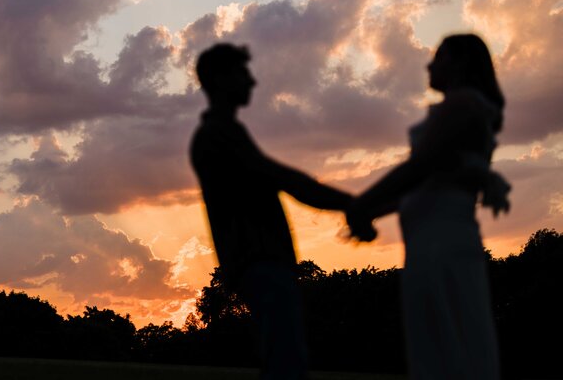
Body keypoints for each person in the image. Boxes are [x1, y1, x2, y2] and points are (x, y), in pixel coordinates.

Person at [346, 34, 510, 380]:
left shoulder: (463, 104)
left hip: (441, 245)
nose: (429, 65)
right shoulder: (464, 107)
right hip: (430, 243)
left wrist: (362, 204)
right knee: (443, 347)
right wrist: (373, 209)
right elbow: (428, 182)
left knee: (447, 350)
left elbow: (419, 167)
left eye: (439, 57)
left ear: (460, 63)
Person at [190, 43, 352, 379]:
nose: (252, 82)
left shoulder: (225, 133)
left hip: (259, 263)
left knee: (284, 360)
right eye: (242, 73)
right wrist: (351, 204)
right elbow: (281, 177)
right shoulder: (218, 135)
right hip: (259, 262)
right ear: (220, 79)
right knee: (286, 364)